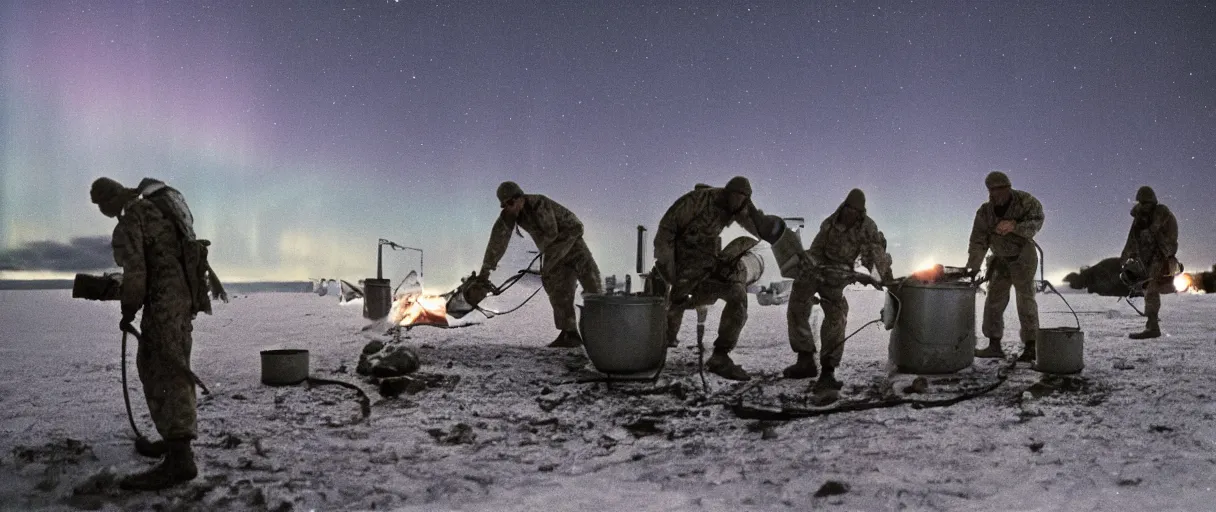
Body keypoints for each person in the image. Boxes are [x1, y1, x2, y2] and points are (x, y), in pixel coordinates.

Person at [90, 177, 203, 491]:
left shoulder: (132, 219)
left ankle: (180, 458)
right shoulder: (153, 209)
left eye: (101, 205)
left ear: (110, 199)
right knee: (162, 365)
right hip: (179, 300)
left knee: (167, 371)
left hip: (165, 303)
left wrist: (128, 310)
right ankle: (173, 442)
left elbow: (137, 271)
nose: (103, 211)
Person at [654, 176, 780, 381]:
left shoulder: (739, 207)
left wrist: (765, 224)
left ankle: (720, 355)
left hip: (709, 266)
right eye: (737, 198)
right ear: (728, 193)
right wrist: (668, 268)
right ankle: (659, 349)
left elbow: (757, 226)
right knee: (674, 306)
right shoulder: (697, 200)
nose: (739, 204)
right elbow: (666, 231)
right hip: (682, 267)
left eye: (743, 200)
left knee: (737, 295)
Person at [783, 189, 893, 394]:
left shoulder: (867, 227)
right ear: (844, 206)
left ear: (861, 212)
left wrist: (884, 277)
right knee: (797, 305)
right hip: (817, 268)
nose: (851, 213)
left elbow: (874, 255)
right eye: (848, 208)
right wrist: (809, 263)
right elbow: (817, 248)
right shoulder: (830, 222)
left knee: (836, 315)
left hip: (839, 273)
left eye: (856, 210)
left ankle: (828, 371)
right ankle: (805, 359)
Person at [480, 181, 603, 347]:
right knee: (558, 291)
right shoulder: (510, 215)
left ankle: (603, 334)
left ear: (520, 198)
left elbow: (551, 232)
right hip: (553, 251)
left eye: (511, 203)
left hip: (573, 245)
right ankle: (569, 334)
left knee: (593, 288)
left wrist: (547, 264)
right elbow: (497, 241)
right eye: (504, 205)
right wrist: (485, 270)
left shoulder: (539, 203)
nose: (509, 208)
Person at [967, 171, 1045, 362]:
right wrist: (973, 267)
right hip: (1000, 260)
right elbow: (978, 241)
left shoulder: (1025, 201)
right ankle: (994, 345)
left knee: (1025, 300)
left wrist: (1015, 226)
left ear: (1009, 187)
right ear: (989, 192)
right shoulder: (985, 212)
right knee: (993, 300)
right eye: (995, 190)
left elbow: (1038, 220)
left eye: (1004, 188)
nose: (1000, 193)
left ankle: (1031, 346)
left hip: (1023, 257)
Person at [1120, 185, 1179, 339]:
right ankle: (1152, 324)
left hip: (1162, 255)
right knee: (1147, 286)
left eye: (1146, 203)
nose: (1143, 206)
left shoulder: (1161, 213)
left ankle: (1152, 326)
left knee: (1150, 286)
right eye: (1141, 203)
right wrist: (1124, 258)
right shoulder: (1139, 218)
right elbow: (1132, 239)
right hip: (1146, 257)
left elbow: (1156, 234)